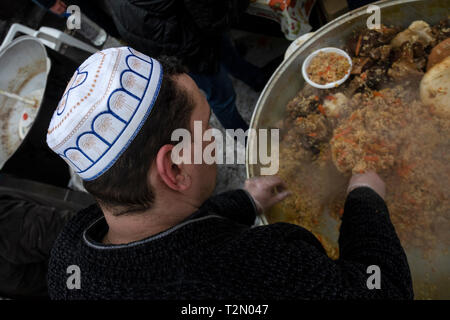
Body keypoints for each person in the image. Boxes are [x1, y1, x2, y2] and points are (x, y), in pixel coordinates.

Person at [46, 47, 413, 299]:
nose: (218, 140)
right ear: (174, 168)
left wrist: (245, 201)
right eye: (207, 128)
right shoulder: (264, 266)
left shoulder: (70, 254)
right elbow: (386, 292)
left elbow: (166, 240)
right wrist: (366, 197)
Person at [106, 0, 276, 131]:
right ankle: (248, 138)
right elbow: (213, 20)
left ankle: (257, 79)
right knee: (222, 97)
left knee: (227, 53)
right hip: (185, 45)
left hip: (164, 32)